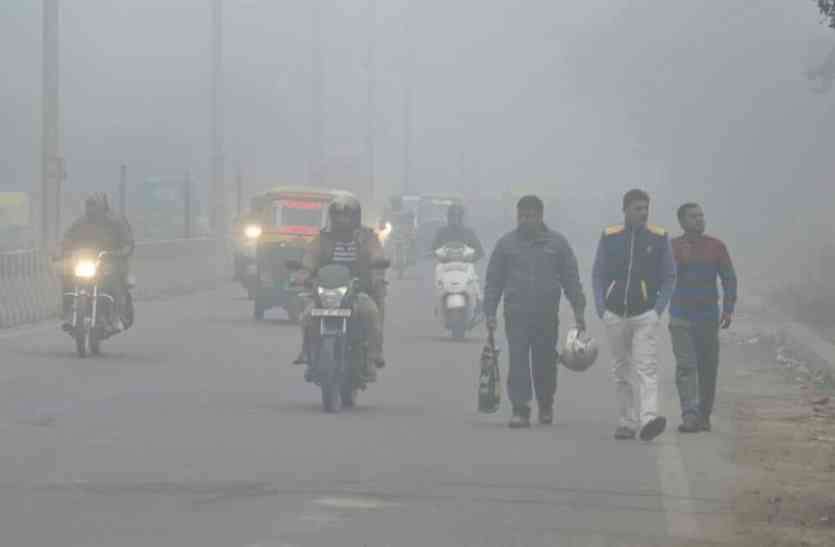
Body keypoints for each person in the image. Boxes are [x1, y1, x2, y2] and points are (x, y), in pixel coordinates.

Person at [483, 195, 587, 428]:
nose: (525, 220)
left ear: (540, 216)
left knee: (545, 362)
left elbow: (571, 279)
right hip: (516, 314)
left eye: (530, 216)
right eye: (521, 216)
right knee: (518, 361)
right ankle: (520, 409)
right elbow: (493, 281)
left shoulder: (557, 244)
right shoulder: (506, 245)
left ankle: (546, 403)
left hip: (546, 315)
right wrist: (489, 313)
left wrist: (578, 310)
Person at [592, 189, 676, 442]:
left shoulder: (659, 237)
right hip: (615, 314)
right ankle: (627, 422)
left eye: (646, 208)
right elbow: (598, 273)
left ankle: (649, 418)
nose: (643, 213)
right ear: (625, 210)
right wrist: (601, 308)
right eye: (638, 208)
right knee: (621, 370)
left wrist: (657, 310)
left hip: (644, 315)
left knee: (646, 367)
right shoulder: (610, 236)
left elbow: (669, 276)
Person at [293, 193, 387, 382]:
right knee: (308, 315)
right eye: (338, 215)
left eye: (346, 215)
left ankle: (373, 355)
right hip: (327, 289)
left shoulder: (367, 237)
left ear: (356, 217)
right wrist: (303, 274)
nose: (342, 219)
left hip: (359, 289)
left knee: (371, 312)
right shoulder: (323, 238)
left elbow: (376, 253)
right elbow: (311, 256)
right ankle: (307, 351)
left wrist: (377, 267)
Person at [669, 203, 737, 433]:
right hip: (680, 316)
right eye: (693, 216)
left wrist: (728, 308)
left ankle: (704, 415)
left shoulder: (716, 247)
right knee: (686, 367)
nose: (699, 219)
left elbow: (729, 278)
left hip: (707, 318)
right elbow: (662, 278)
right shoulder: (672, 247)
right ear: (681, 221)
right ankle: (689, 414)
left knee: (708, 367)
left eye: (701, 216)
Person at [62, 193, 135, 332]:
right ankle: (69, 313)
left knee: (114, 280)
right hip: (88, 261)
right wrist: (61, 250)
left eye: (94, 205)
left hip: (111, 260)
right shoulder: (81, 223)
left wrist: (122, 251)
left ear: (102, 206)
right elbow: (68, 238)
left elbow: (127, 242)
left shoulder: (116, 222)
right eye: (89, 205)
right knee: (68, 277)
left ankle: (116, 316)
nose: (91, 208)